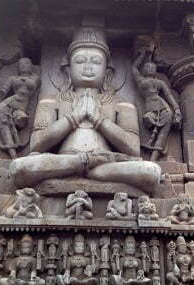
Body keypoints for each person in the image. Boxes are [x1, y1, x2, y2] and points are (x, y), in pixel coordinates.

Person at [9, 26, 161, 193]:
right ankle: (86, 166)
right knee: (18, 167)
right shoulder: (52, 101)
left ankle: (84, 169)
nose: (88, 67)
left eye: (96, 62)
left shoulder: (121, 104)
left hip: (105, 163)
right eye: (80, 61)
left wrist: (98, 120)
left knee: (151, 171)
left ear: (106, 71)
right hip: (66, 160)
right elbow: (37, 144)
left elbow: (132, 148)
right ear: (68, 69)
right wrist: (74, 117)